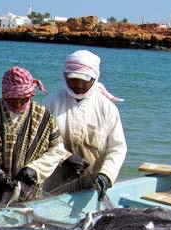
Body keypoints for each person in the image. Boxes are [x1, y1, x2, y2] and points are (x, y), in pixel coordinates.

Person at [0, 66, 69, 211]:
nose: (17, 104)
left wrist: (35, 169)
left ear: (30, 94)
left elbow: (57, 151)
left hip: (30, 195)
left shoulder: (43, 116)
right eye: (12, 99)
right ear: (4, 94)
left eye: (23, 99)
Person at [43, 50, 127, 200]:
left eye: (84, 80)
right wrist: (65, 157)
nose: (79, 85)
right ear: (65, 77)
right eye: (73, 79)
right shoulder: (50, 103)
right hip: (54, 183)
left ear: (95, 77)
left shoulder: (107, 108)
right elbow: (39, 143)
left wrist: (106, 175)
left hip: (92, 185)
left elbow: (117, 147)